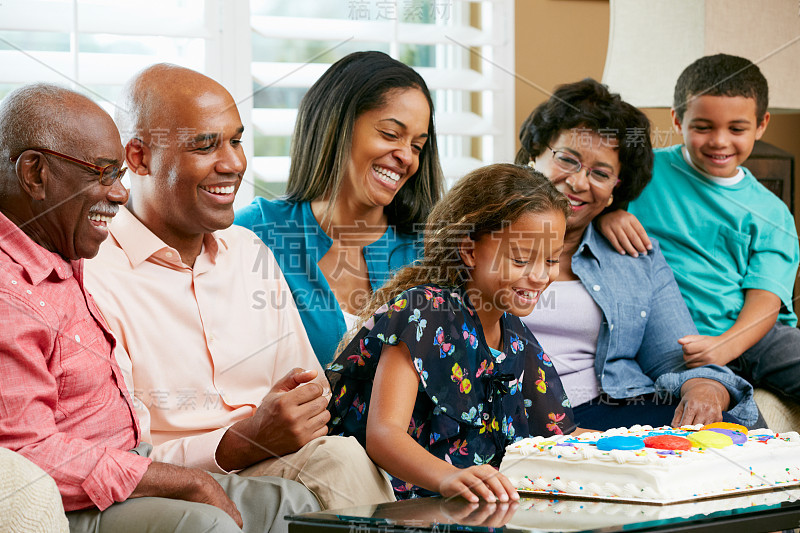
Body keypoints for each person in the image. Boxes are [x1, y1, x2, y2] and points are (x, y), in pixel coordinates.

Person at [0, 83, 317, 533]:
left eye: (118, 176)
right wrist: (185, 482)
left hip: (131, 467)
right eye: (103, 174)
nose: (120, 194)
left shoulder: (65, 254)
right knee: (210, 526)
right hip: (77, 499)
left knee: (299, 505)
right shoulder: (13, 294)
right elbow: (26, 455)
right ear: (35, 174)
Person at [84, 64, 395, 510]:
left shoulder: (249, 250)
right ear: (138, 158)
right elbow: (120, 456)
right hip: (171, 487)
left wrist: (296, 418)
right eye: (205, 145)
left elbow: (311, 393)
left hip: (285, 463)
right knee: (341, 464)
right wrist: (237, 443)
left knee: (347, 456)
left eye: (235, 140)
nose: (233, 164)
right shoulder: (93, 274)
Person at [516, 79, 757, 430]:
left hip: (609, 410)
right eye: (567, 159)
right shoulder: (483, 236)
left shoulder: (635, 255)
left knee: (734, 435)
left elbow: (674, 357)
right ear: (535, 154)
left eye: (601, 173)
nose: (579, 182)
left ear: (616, 190)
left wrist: (704, 388)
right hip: (512, 413)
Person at [327, 164, 576, 501]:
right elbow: (384, 434)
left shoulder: (515, 336)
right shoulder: (424, 312)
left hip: (475, 508)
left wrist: (651, 446)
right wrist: (450, 479)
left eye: (550, 260)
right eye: (520, 260)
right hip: (395, 504)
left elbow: (559, 437)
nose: (539, 276)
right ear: (470, 250)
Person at [597, 54, 800, 403]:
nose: (719, 141)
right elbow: (582, 199)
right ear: (677, 120)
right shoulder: (644, 172)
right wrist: (607, 213)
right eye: (703, 127)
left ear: (761, 124)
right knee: (730, 424)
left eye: (737, 129)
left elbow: (766, 300)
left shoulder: (772, 212)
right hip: (678, 340)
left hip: (755, 334)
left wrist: (726, 345)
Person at [235, 51, 445, 365]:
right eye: (390, 134)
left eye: (417, 146)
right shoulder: (253, 232)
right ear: (337, 125)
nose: (407, 157)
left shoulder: (430, 252)